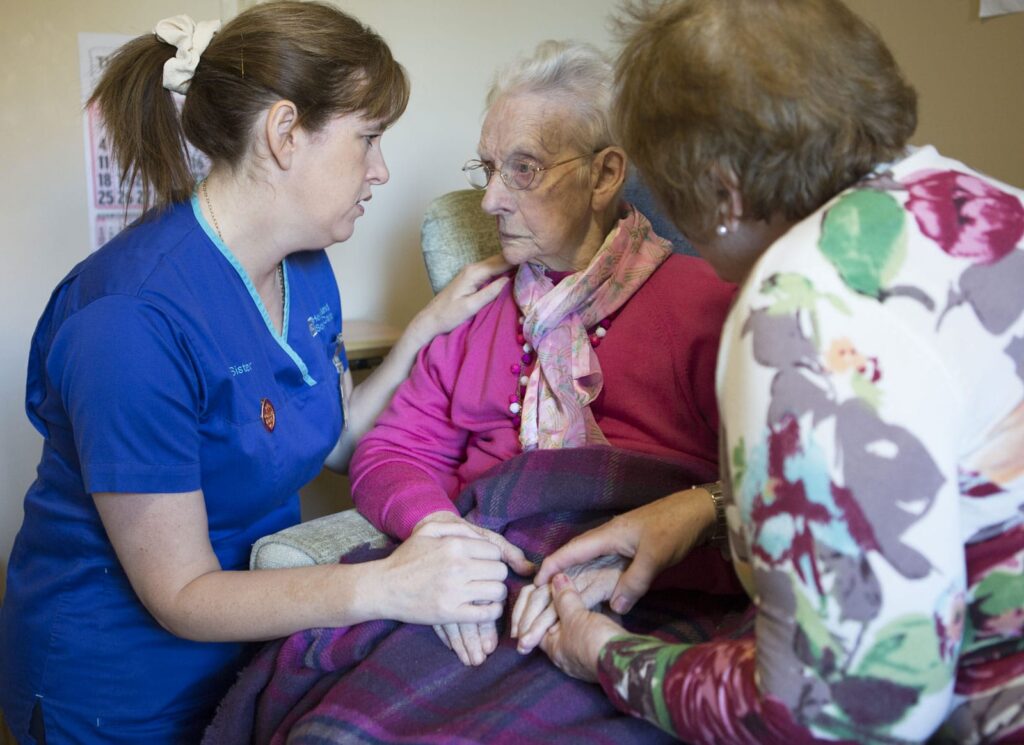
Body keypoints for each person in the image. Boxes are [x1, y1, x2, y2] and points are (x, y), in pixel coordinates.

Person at [0, 3, 520, 742]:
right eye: (368, 138)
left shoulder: (305, 268)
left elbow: (332, 438)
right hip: (118, 682)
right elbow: (181, 593)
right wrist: (388, 584)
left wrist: (426, 329)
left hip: (250, 645)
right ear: (283, 133)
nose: (382, 169)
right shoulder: (128, 323)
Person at [526, 1, 1024, 743]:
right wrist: (707, 509)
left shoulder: (801, 307)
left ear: (721, 192)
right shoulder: (986, 203)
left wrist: (606, 654)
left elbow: (847, 712)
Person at [347, 39, 740, 670]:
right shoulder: (473, 309)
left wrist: (639, 564)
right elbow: (389, 453)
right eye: (488, 168)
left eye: (523, 169)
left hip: (646, 596)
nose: (490, 201)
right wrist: (441, 536)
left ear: (605, 175)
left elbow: (766, 499)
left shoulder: (709, 306)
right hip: (482, 583)